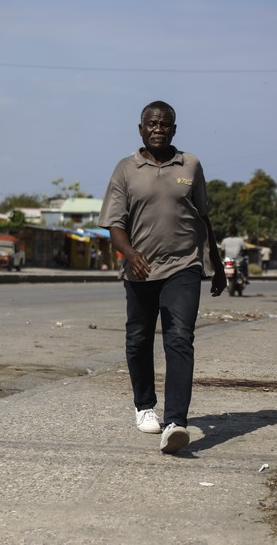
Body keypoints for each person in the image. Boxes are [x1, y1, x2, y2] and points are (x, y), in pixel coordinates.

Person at [99, 100, 226, 454]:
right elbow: (115, 223)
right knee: (139, 340)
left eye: (165, 124)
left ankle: (176, 422)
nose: (158, 128)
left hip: (184, 266)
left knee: (179, 338)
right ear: (141, 129)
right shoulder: (126, 169)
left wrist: (215, 264)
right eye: (152, 123)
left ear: (174, 128)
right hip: (140, 269)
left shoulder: (191, 165)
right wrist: (130, 253)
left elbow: (204, 217)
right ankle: (144, 406)